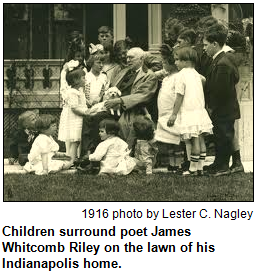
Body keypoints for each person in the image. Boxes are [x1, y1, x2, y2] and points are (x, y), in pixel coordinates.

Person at [203, 23, 241, 176]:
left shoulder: (222, 63)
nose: (204, 48)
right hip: (224, 108)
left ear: (215, 44)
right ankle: (219, 163)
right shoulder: (219, 60)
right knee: (220, 136)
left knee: (224, 137)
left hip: (223, 109)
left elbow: (221, 91)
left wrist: (212, 108)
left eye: (206, 45)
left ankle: (223, 166)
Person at [168, 47, 213, 176]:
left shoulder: (180, 75)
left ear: (186, 61)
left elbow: (179, 96)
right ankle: (200, 167)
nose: (175, 63)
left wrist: (174, 114)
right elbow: (204, 79)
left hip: (189, 111)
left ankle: (192, 168)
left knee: (194, 140)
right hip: (199, 111)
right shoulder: (196, 73)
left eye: (177, 60)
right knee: (200, 140)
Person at [104, 47, 158, 150]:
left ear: (141, 59)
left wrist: (119, 100)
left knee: (122, 124)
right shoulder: (123, 72)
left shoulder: (149, 75)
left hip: (133, 109)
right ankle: (90, 154)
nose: (128, 60)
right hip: (113, 107)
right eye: (127, 57)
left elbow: (142, 95)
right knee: (91, 118)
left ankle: (123, 154)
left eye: (131, 58)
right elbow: (111, 87)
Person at [58, 67, 95, 168]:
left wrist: (90, 104)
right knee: (75, 140)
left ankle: (71, 159)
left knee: (76, 140)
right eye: (83, 78)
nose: (85, 80)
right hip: (74, 118)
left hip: (78, 117)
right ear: (75, 81)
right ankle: (70, 161)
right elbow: (74, 108)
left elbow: (83, 102)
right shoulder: (72, 92)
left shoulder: (79, 91)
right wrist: (86, 112)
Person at [154, 46, 184, 173]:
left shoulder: (177, 77)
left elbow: (178, 95)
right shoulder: (166, 78)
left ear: (172, 64)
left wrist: (174, 113)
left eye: (165, 63)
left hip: (173, 113)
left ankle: (179, 163)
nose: (163, 65)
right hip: (164, 113)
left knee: (176, 140)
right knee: (169, 140)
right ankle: (172, 163)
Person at [80, 52, 111, 160]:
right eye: (98, 62)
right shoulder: (86, 76)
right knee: (88, 119)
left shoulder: (104, 76)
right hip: (87, 104)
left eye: (103, 62)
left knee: (97, 121)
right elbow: (82, 91)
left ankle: (96, 151)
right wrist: (88, 101)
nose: (101, 65)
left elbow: (106, 91)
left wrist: (101, 100)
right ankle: (87, 151)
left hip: (100, 105)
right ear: (91, 63)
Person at [60, 39, 87, 156]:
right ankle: (70, 157)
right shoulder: (67, 69)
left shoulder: (83, 70)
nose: (79, 58)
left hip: (80, 103)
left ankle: (77, 157)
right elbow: (64, 85)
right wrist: (68, 97)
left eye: (81, 56)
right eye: (77, 56)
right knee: (71, 135)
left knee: (77, 135)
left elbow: (84, 86)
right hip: (71, 104)